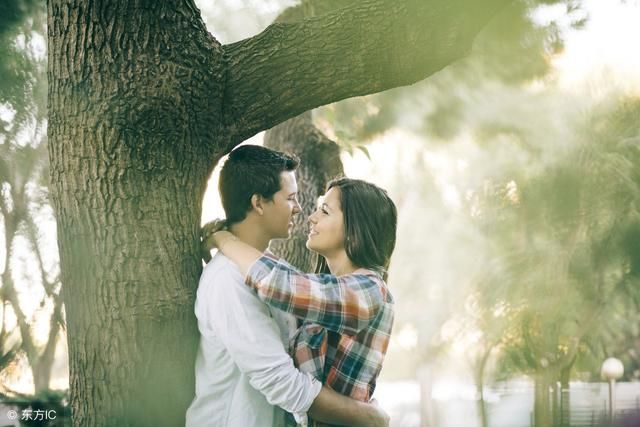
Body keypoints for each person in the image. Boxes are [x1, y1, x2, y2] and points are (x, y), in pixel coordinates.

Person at [185, 145, 389, 427]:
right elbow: (280, 381)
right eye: (291, 198)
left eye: (324, 211)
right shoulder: (228, 279)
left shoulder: (273, 271)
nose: (302, 211)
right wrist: (367, 417)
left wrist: (223, 238)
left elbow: (284, 284)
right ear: (258, 203)